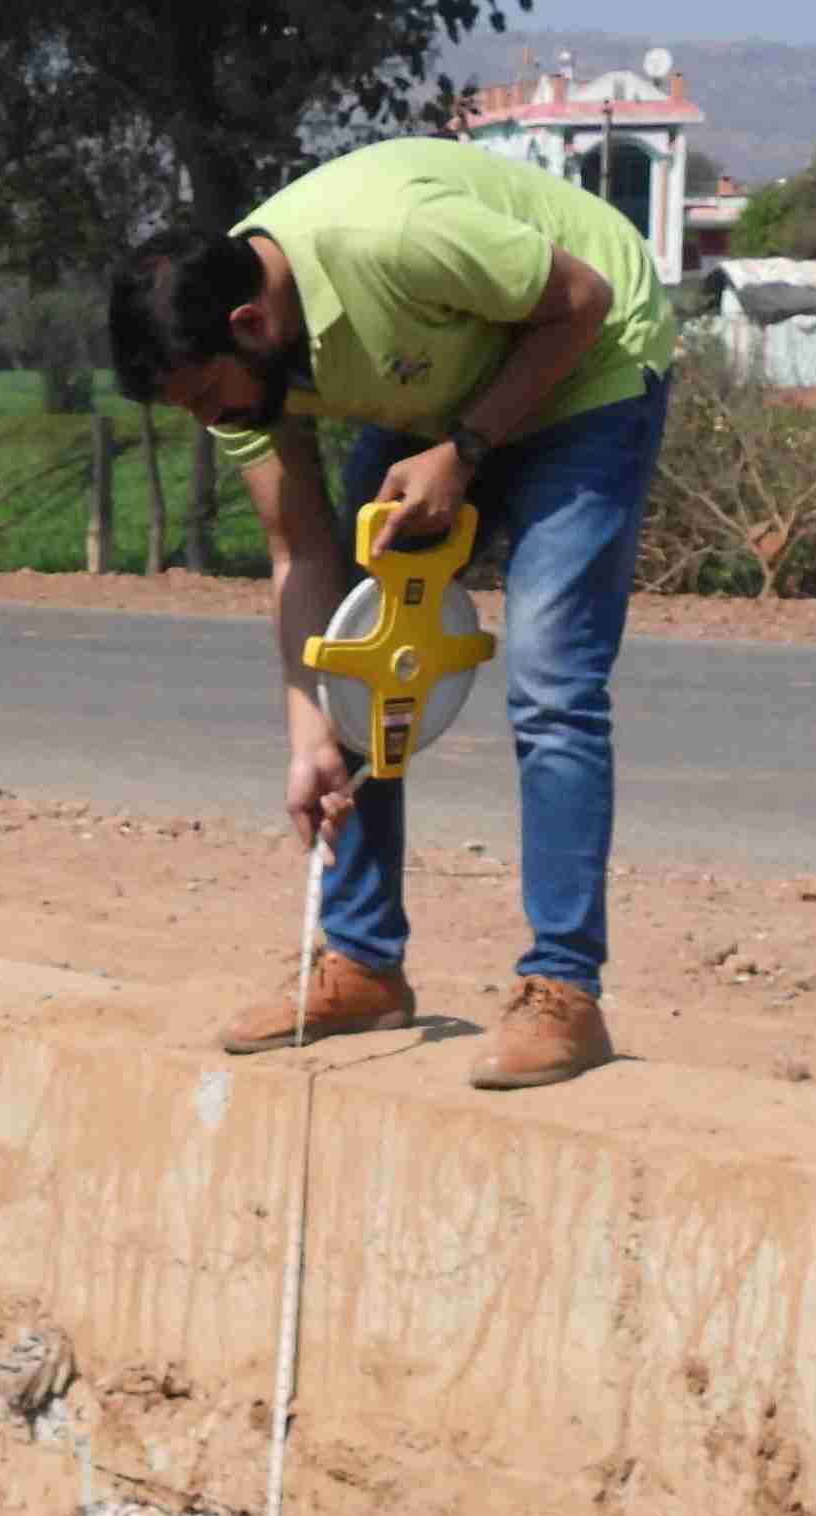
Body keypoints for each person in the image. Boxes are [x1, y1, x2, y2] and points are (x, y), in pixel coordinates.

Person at [110, 138, 675, 1089]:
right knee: (359, 658)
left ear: (252, 324)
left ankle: (564, 991)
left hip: (590, 353)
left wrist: (466, 448)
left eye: (206, 396)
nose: (208, 422)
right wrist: (310, 736)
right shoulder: (243, 357)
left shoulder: (395, 239)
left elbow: (581, 299)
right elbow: (301, 556)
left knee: (550, 673)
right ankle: (363, 963)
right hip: (451, 375)